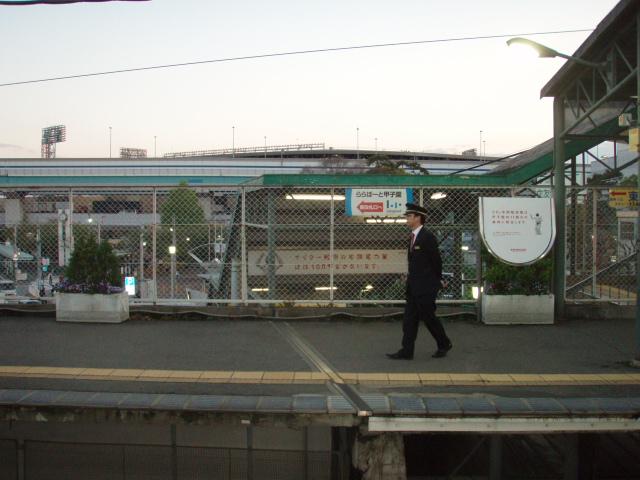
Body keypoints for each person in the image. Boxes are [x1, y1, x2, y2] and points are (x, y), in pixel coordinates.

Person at [386, 202, 452, 360]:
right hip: (413, 286)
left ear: (418, 218)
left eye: (409, 216)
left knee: (429, 318)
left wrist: (439, 280)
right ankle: (407, 351)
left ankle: (444, 343)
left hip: (425, 287)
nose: (407, 219)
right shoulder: (413, 236)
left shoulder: (427, 237)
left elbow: (436, 261)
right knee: (409, 320)